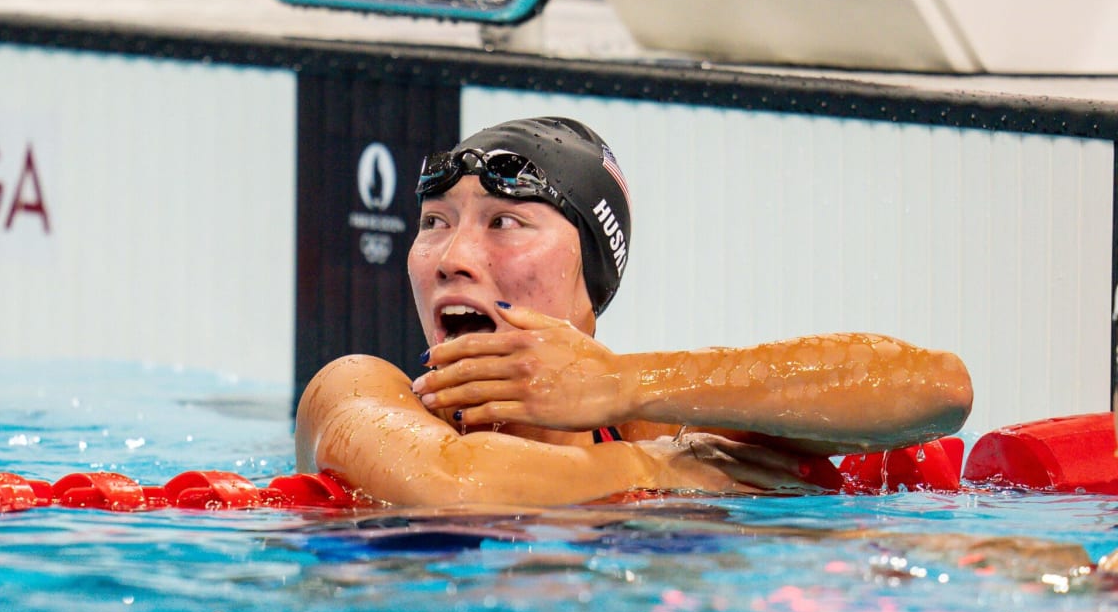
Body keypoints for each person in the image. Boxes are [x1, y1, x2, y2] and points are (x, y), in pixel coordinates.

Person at [295, 116, 974, 506]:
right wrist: (656, 471)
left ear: (591, 278)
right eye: (435, 222)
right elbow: (451, 483)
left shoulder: (651, 416)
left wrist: (626, 382)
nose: (452, 256)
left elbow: (937, 391)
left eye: (503, 223)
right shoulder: (360, 392)